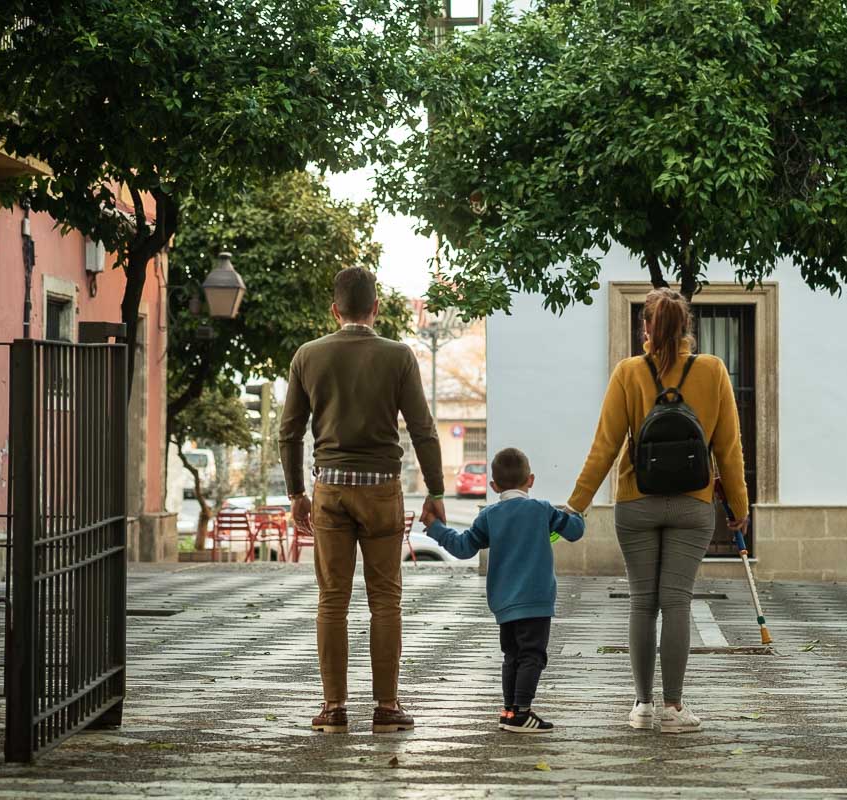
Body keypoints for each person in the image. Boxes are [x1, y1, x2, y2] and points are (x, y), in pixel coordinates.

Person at [566, 287, 749, 734]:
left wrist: (576, 506)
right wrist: (739, 509)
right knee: (677, 602)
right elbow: (728, 449)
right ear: (686, 327)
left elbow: (605, 446)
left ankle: (642, 706)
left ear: (645, 328)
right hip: (693, 503)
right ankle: (673, 709)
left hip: (635, 501)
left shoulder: (628, 373)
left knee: (643, 603)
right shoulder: (712, 370)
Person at [279, 266, 447, 734]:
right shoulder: (399, 356)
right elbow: (422, 429)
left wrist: (296, 492)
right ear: (376, 307)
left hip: (329, 488)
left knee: (332, 599)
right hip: (381, 489)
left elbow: (289, 431)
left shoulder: (308, 356)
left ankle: (333, 710)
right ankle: (387, 708)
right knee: (385, 599)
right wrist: (435, 490)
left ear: (336, 310)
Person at [421, 447, 585, 734]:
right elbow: (574, 531)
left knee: (512, 656)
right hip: (535, 600)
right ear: (530, 480)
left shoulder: (490, 515)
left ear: (494, 485)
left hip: (504, 603)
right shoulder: (542, 509)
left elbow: (462, 547)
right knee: (533, 655)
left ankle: (508, 710)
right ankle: (522, 713)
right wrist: (576, 511)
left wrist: (435, 528)